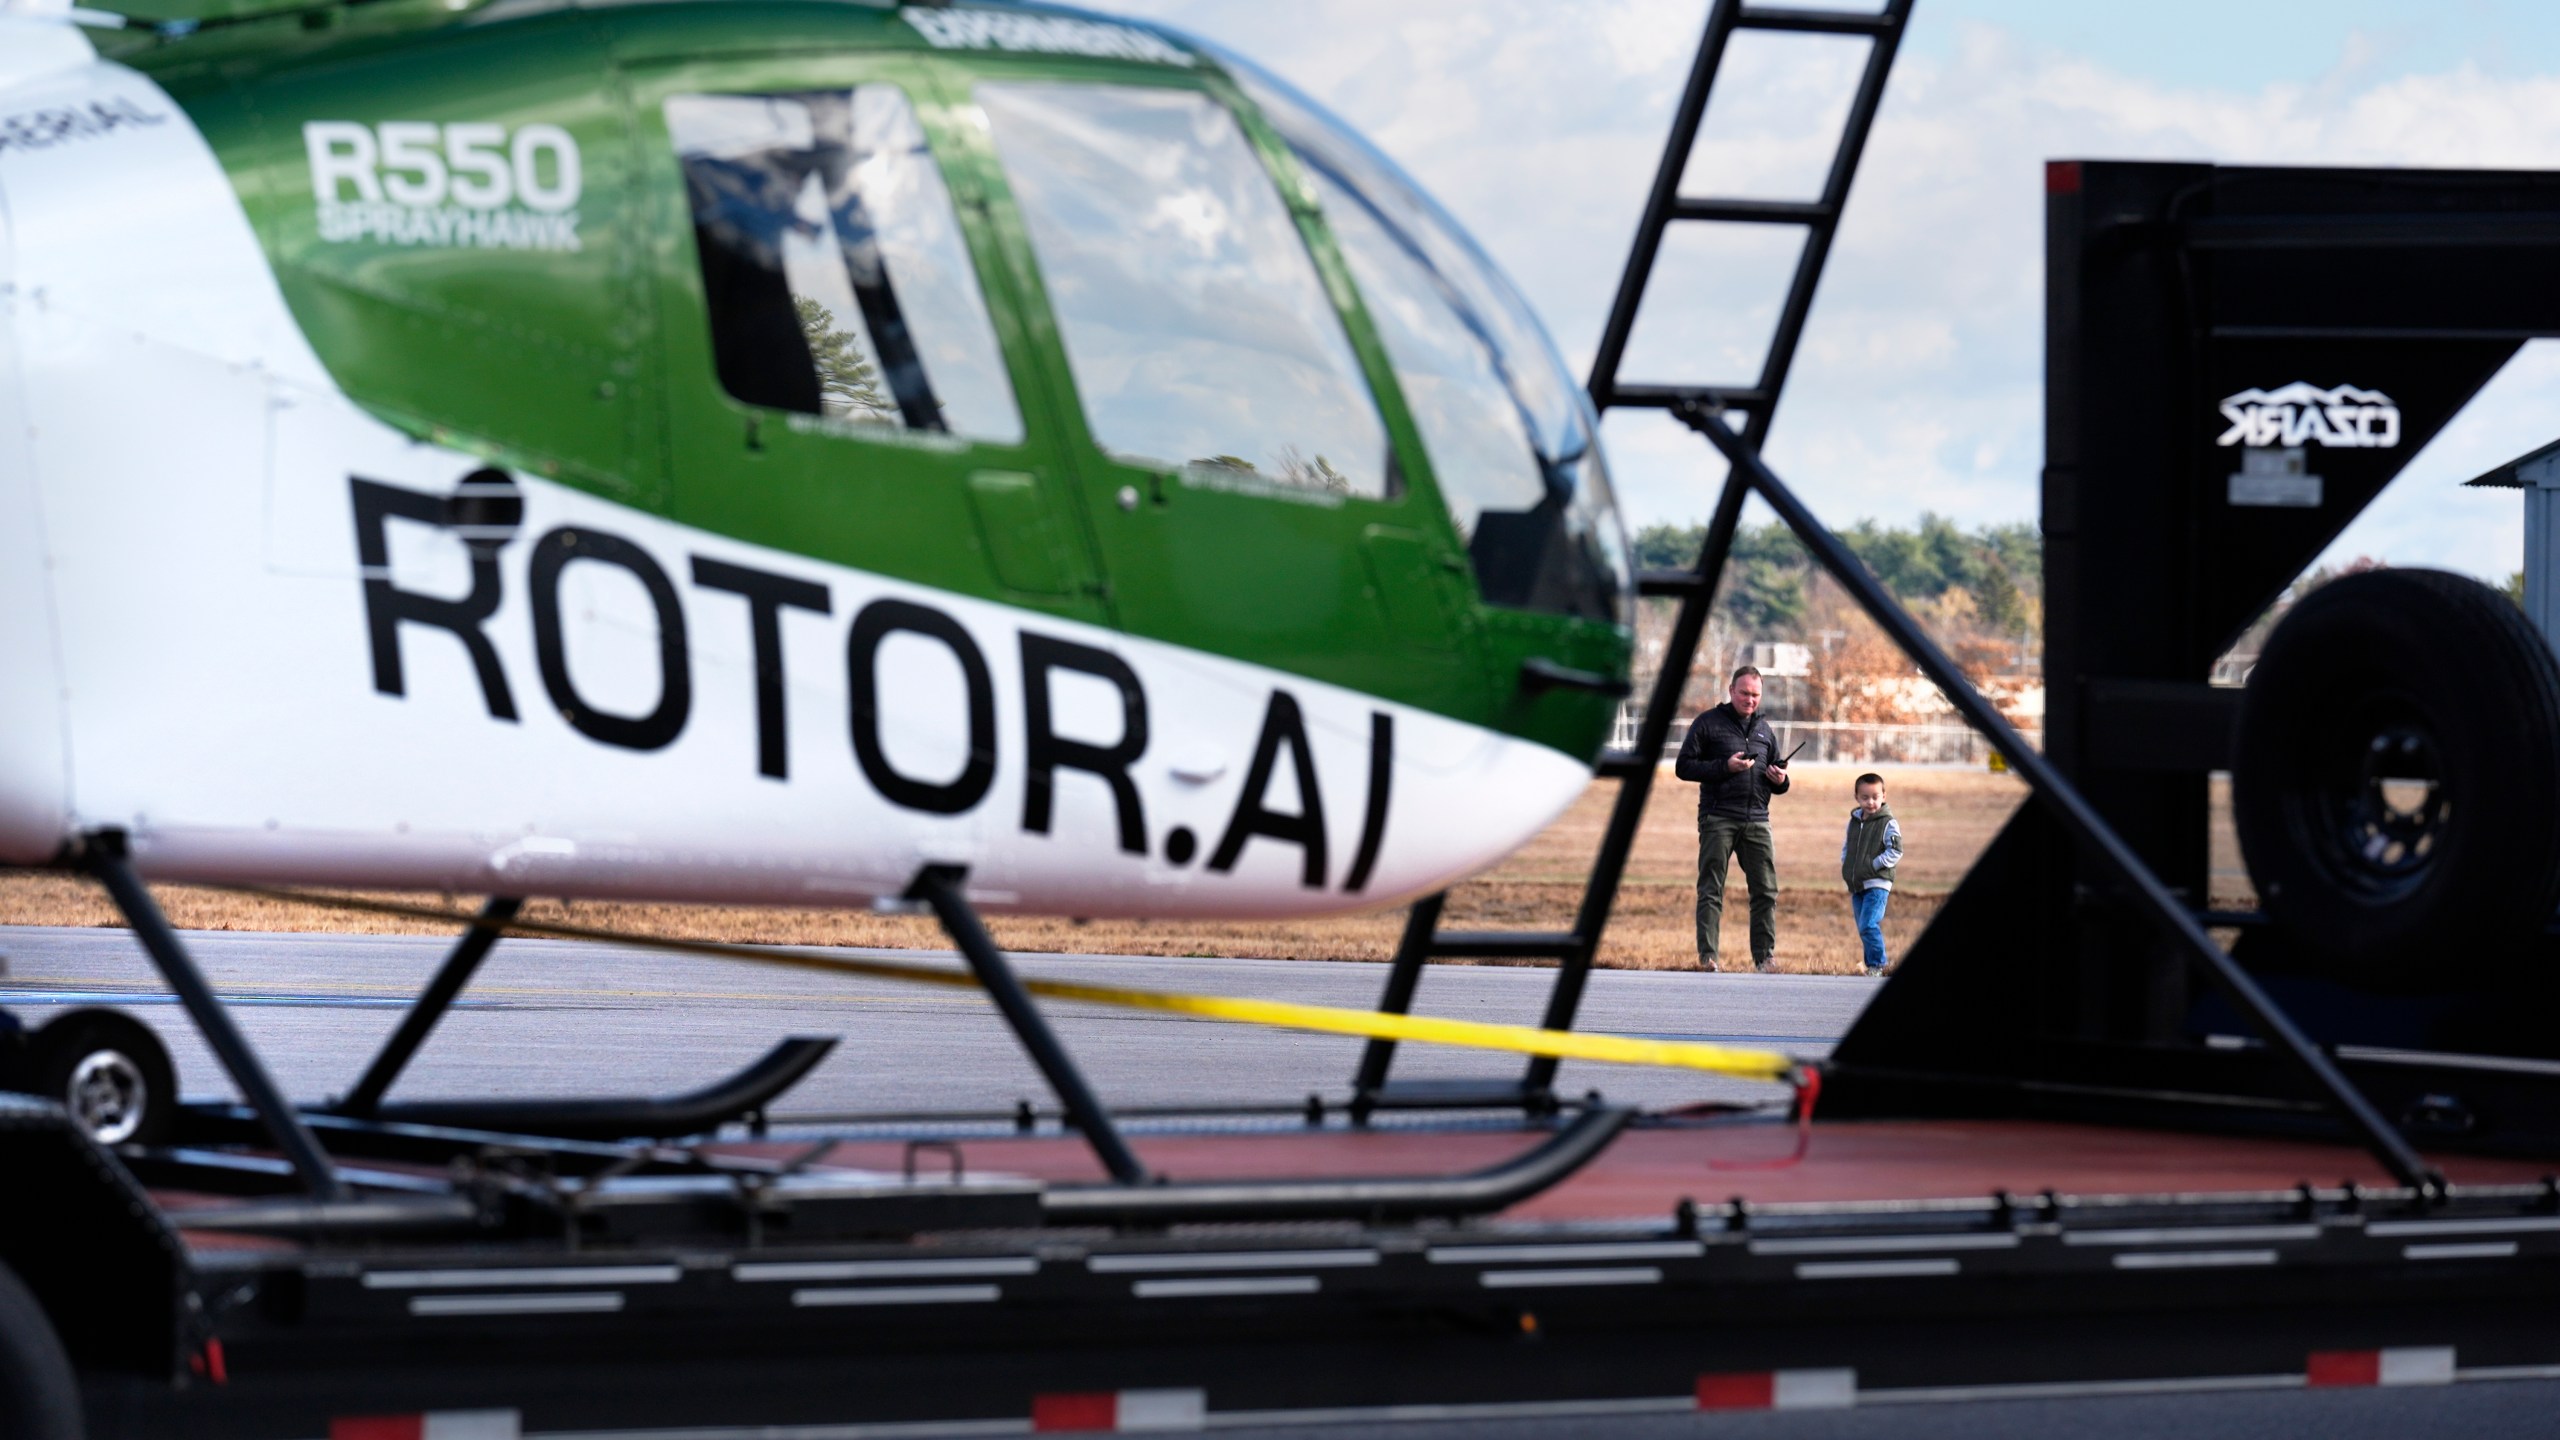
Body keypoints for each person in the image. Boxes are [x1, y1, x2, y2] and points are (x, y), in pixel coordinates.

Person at [1675, 666, 1791, 972]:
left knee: (1765, 891)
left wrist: (1780, 780)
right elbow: (1684, 767)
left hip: (1758, 820)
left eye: (1755, 695)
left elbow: (1779, 781)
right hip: (1718, 818)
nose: (1750, 700)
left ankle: (1765, 958)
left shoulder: (1765, 730)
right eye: (1744, 693)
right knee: (1711, 889)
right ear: (1731, 690)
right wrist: (1725, 767)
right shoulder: (1708, 723)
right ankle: (1708, 958)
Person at [1840, 772, 1902, 976]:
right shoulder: (1854, 822)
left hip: (1877, 883)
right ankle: (1871, 966)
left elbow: (1895, 851)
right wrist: (1847, 863)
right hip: (1857, 883)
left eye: (1875, 797)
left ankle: (1879, 965)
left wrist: (1873, 865)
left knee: (1868, 924)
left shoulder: (1887, 823)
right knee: (1863, 927)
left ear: (1884, 796)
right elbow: (1847, 846)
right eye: (1865, 797)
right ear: (1857, 797)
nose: (1870, 802)